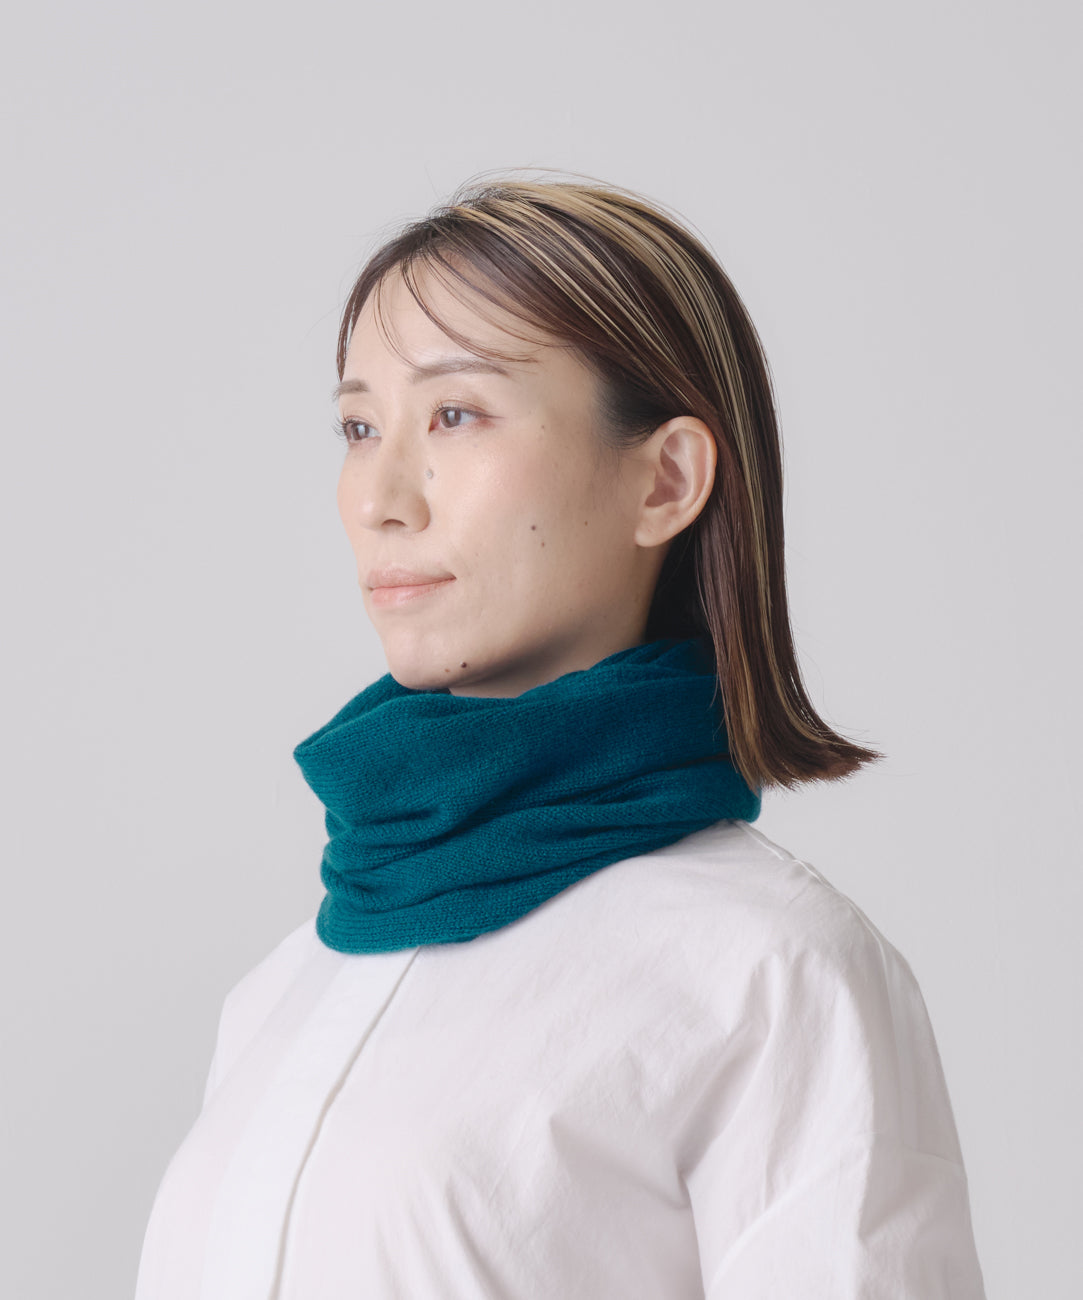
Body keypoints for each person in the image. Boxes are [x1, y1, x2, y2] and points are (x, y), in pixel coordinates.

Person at [134, 174, 986, 1298]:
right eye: (358, 427)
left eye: (456, 414)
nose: (380, 497)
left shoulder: (773, 971)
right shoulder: (283, 989)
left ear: (665, 480)